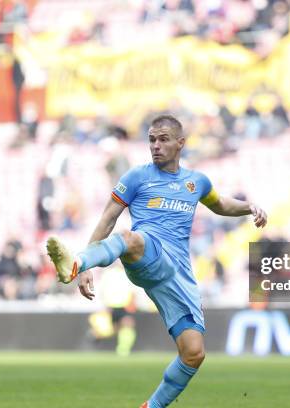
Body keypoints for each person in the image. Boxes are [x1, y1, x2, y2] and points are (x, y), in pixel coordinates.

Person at [46, 115, 267, 408]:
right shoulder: (136, 177)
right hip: (148, 255)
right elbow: (108, 218)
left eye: (163, 139)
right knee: (131, 237)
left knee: (193, 353)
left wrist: (249, 207)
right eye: (151, 139)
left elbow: (221, 204)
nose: (156, 146)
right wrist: (85, 266)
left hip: (178, 275)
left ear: (180, 143)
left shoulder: (196, 182)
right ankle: (74, 263)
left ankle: (153, 406)